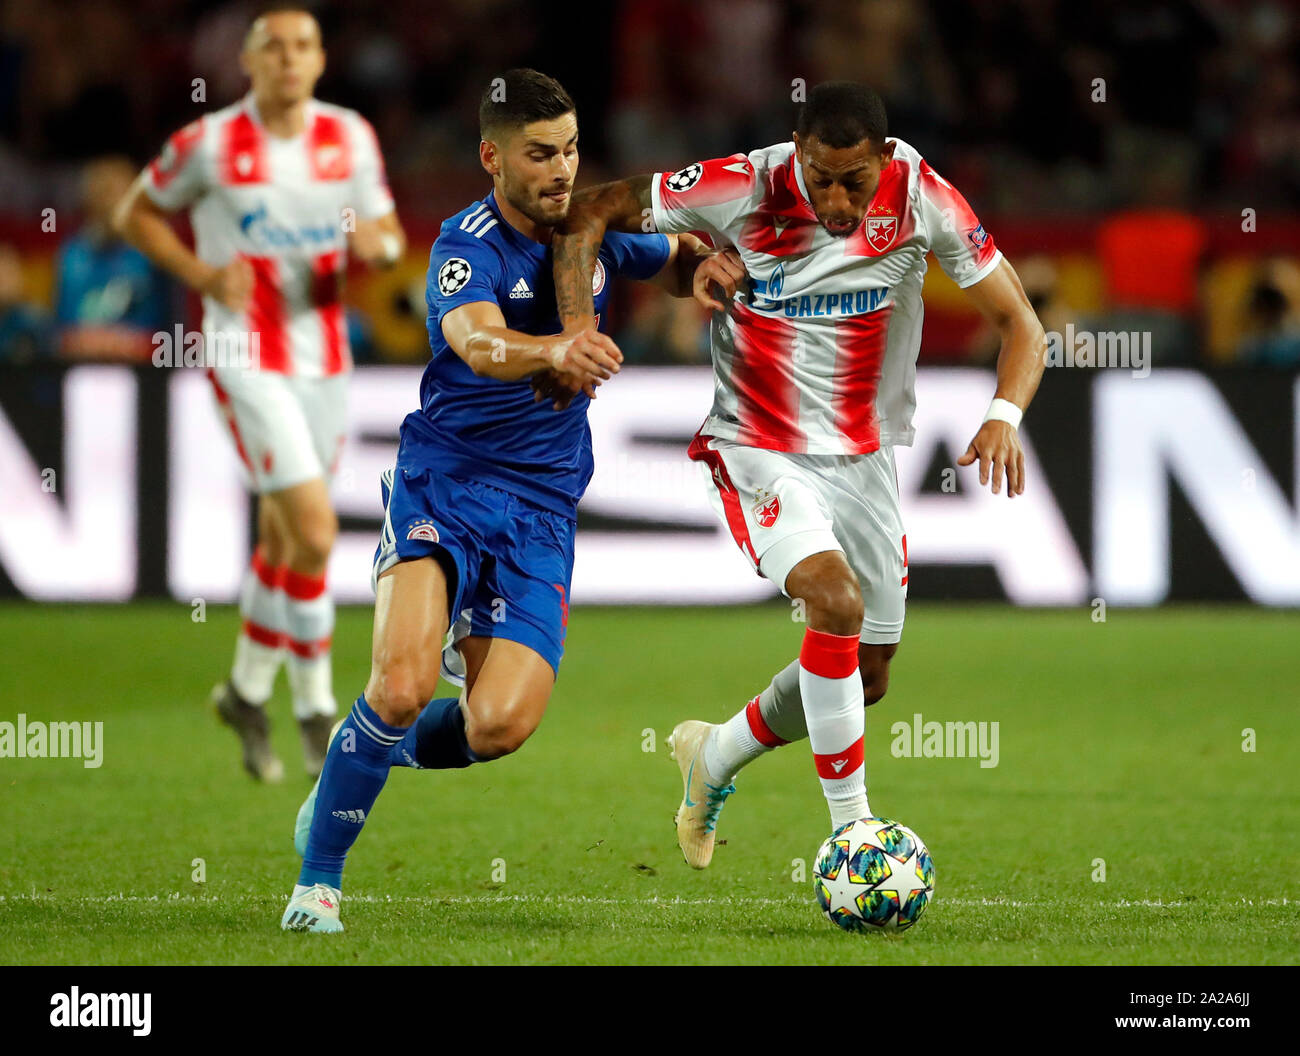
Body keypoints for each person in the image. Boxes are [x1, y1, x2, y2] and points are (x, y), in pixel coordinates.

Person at [551, 81, 1046, 868]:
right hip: (758, 442)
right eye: (820, 177)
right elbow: (591, 210)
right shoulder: (745, 184)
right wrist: (578, 326)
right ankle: (854, 831)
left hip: (864, 453)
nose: (837, 198)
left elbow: (1023, 324)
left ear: (885, 160)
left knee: (868, 675)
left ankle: (713, 755)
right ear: (796, 150)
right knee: (833, 601)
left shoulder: (924, 197)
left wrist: (1003, 416)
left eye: (855, 180)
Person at [279, 68, 721, 932]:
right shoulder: (466, 243)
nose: (561, 170)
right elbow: (478, 343)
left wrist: (706, 274)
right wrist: (557, 351)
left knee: (498, 726)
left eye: (570, 150)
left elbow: (667, 259)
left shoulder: (583, 230)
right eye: (539, 154)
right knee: (402, 684)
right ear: (493, 156)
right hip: (447, 479)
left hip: (543, 508)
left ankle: (359, 754)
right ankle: (316, 883)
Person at [113, 7, 406, 782]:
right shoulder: (209, 143)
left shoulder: (349, 136)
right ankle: (313, 704)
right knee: (313, 529)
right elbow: (133, 212)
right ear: (247, 60)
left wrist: (375, 245)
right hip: (242, 351)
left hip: (326, 355)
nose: (288, 59)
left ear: (319, 61)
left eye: (303, 46)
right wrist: (205, 275)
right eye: (272, 46)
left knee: (285, 536)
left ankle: (245, 690)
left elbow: (384, 232)